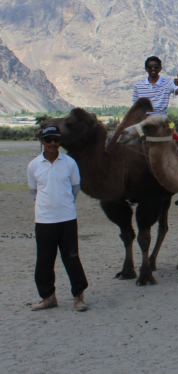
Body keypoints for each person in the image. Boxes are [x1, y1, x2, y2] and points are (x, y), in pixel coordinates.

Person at [27, 126, 88, 312]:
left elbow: (75, 187)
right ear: (42, 141)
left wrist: (64, 203)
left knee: (72, 257)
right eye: (48, 140)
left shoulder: (69, 163)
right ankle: (48, 297)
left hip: (67, 218)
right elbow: (34, 192)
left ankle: (78, 297)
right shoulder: (34, 165)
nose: (52, 143)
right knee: (44, 260)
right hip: (44, 220)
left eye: (56, 139)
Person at [132, 56, 178, 148]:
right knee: (122, 137)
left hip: (163, 120)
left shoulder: (167, 82)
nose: (153, 69)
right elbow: (135, 107)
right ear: (146, 69)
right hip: (144, 120)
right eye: (150, 67)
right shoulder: (138, 86)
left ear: (160, 69)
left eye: (156, 67)